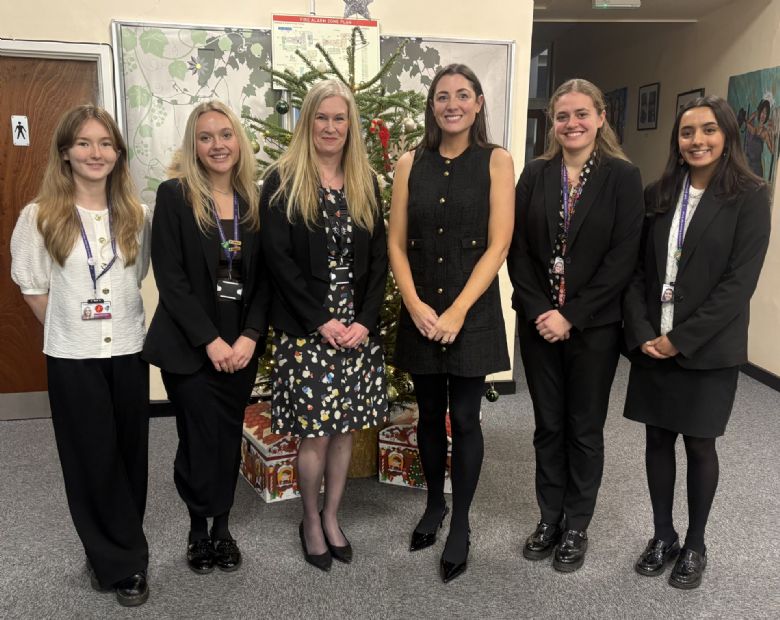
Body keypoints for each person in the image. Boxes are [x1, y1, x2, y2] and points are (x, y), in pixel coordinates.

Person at [623, 95, 771, 589]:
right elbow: (637, 271)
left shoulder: (751, 196)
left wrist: (680, 340)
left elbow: (738, 283)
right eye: (687, 132)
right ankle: (663, 535)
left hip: (707, 349)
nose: (697, 140)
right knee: (657, 441)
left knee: (700, 445)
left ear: (727, 135)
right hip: (653, 342)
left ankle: (695, 544)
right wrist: (644, 333)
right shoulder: (659, 193)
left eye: (708, 130)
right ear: (677, 140)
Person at [10, 104, 153, 606]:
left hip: (129, 349)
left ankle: (118, 545)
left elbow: (137, 276)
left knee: (130, 457)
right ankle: (121, 563)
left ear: (118, 153)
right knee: (91, 460)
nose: (96, 153)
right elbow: (33, 286)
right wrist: (72, 329)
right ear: (66, 153)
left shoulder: (137, 215)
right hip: (73, 356)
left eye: (106, 143)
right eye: (85, 143)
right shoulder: (41, 216)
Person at [507, 78, 644, 572]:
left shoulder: (622, 177)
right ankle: (549, 518)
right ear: (552, 123)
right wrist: (542, 311)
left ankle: (577, 524)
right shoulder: (536, 174)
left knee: (584, 429)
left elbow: (623, 257)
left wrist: (571, 314)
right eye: (562, 116)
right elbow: (517, 248)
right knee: (548, 426)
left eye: (582, 114)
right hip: (539, 325)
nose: (572, 123)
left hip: (594, 328)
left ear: (601, 118)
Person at [388, 64, 515, 583]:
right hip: (421, 307)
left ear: (478, 103)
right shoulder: (409, 162)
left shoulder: (496, 161)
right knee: (427, 416)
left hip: (472, 309)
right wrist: (414, 304)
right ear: (432, 106)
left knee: (464, 419)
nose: (452, 104)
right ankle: (434, 506)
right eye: (442, 96)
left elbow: (498, 244)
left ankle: (460, 520)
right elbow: (396, 242)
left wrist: (458, 310)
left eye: (463, 95)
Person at [260, 79, 388, 572]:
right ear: (307, 122)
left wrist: (366, 322)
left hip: (356, 333)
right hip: (307, 329)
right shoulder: (283, 180)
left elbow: (379, 260)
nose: (330, 127)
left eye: (339, 118)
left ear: (350, 125)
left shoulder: (364, 181)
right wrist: (321, 321)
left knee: (345, 431)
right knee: (315, 434)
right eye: (321, 117)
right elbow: (278, 261)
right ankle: (310, 520)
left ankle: (333, 516)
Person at [143, 101, 268, 575]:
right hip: (189, 347)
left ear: (239, 141)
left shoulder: (254, 200)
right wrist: (209, 340)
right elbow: (170, 278)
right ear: (193, 146)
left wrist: (251, 335)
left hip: (241, 346)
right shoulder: (175, 195)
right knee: (198, 438)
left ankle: (223, 528)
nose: (218, 145)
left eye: (225, 135)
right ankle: (198, 529)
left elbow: (266, 279)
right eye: (206, 137)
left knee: (228, 436)